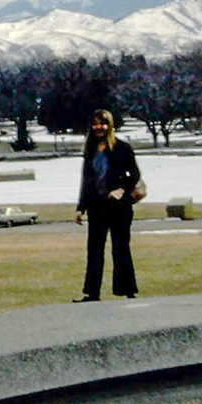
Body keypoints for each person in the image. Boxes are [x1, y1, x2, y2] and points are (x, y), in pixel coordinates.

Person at [73, 109, 141, 301]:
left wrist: (122, 189)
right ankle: (92, 292)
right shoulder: (90, 150)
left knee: (120, 248)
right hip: (97, 207)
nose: (98, 128)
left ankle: (128, 290)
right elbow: (86, 181)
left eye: (102, 124)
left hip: (118, 207)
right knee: (94, 250)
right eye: (95, 124)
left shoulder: (122, 148)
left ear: (109, 126)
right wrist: (80, 207)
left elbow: (134, 174)